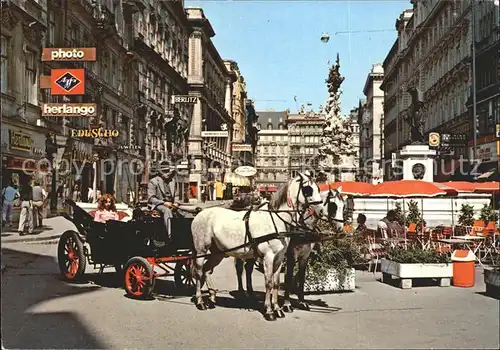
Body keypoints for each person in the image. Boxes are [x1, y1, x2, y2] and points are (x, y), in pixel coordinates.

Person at [148, 161, 179, 242]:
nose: (168, 173)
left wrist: (176, 203)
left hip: (172, 204)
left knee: (190, 210)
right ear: (160, 172)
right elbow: (151, 198)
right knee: (167, 210)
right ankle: (170, 236)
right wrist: (164, 203)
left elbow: (176, 195)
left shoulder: (173, 181)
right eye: (165, 171)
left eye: (168, 171)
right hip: (159, 205)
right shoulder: (153, 181)